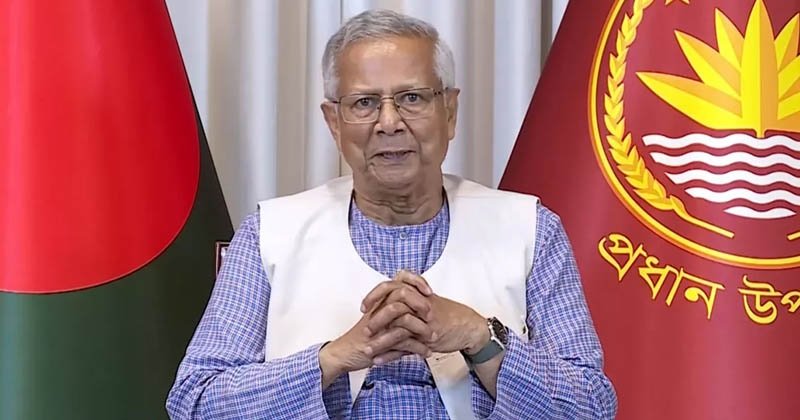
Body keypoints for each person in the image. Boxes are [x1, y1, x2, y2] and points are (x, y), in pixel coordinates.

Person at [166, 9, 617, 420]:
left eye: (412, 98)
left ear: (450, 111)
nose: (388, 122)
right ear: (334, 122)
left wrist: (480, 338)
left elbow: (592, 407)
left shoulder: (531, 230)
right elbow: (195, 402)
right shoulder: (270, 235)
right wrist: (334, 358)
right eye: (364, 103)